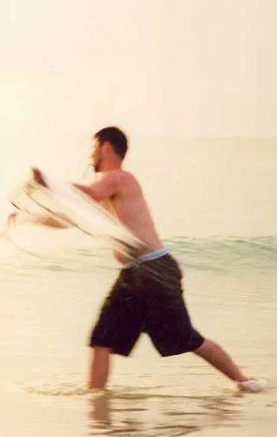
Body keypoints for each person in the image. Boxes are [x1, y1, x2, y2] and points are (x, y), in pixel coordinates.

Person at [26, 126, 257, 391]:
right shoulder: (106, 189)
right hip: (135, 273)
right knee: (102, 339)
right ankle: (96, 402)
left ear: (105, 147)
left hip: (153, 270)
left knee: (186, 339)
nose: (90, 154)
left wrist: (48, 182)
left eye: (93, 147)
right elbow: (68, 219)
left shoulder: (121, 179)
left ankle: (244, 381)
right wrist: (29, 218)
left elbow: (88, 193)